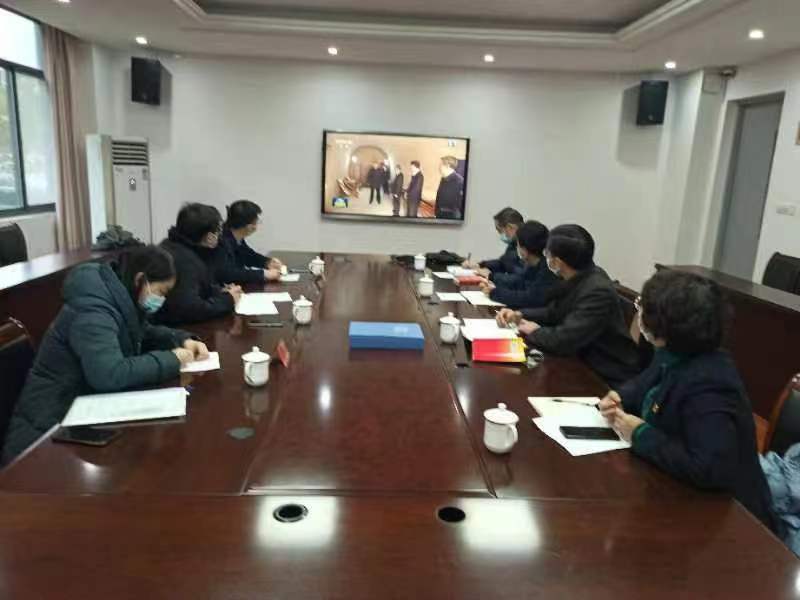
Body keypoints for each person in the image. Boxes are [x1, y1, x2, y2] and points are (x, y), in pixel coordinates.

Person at [598, 270, 779, 533]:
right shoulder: (675, 351)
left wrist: (639, 433)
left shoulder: (711, 384)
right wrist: (620, 396)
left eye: (643, 308)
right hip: (673, 488)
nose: (639, 313)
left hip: (730, 521)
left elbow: (708, 468)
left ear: (667, 327)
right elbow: (645, 382)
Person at [0, 246, 208, 464]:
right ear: (140, 280)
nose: (162, 299)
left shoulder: (118, 297)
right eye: (161, 292)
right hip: (44, 434)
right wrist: (172, 359)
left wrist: (180, 338)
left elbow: (142, 331)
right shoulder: (93, 310)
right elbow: (108, 374)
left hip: (78, 415)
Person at [496, 224, 639, 387]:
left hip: (603, 377)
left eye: (547, 254)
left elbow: (563, 340)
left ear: (557, 262)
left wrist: (534, 331)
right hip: (578, 360)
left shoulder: (597, 291)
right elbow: (555, 312)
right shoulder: (579, 276)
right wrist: (520, 314)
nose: (545, 258)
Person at [157, 203, 241, 325]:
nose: (220, 235)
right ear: (209, 237)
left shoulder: (171, 244)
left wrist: (219, 291)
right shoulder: (186, 261)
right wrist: (228, 300)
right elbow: (191, 309)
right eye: (219, 230)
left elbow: (197, 286)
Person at [479, 220, 558, 309]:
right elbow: (520, 283)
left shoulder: (548, 269)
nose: (517, 248)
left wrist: (495, 293)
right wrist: (494, 287)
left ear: (524, 250)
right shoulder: (533, 265)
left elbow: (529, 298)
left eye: (517, 245)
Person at [213, 200, 284, 285]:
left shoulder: (235, 236)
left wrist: (267, 262)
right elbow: (230, 273)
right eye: (256, 222)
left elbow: (248, 255)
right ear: (249, 226)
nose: (256, 226)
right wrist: (263, 274)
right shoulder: (222, 240)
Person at [467, 207, 524, 281]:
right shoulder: (514, 244)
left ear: (510, 227)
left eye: (499, 230)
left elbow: (520, 278)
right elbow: (503, 263)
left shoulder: (528, 246)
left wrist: (491, 276)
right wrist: (480, 265)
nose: (500, 234)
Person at [434, 155, 465, 220]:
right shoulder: (443, 178)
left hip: (450, 217)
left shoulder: (460, 181)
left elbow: (459, 206)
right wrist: (436, 211)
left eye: (440, 165)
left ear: (447, 166)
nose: (439, 167)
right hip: (439, 214)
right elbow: (439, 196)